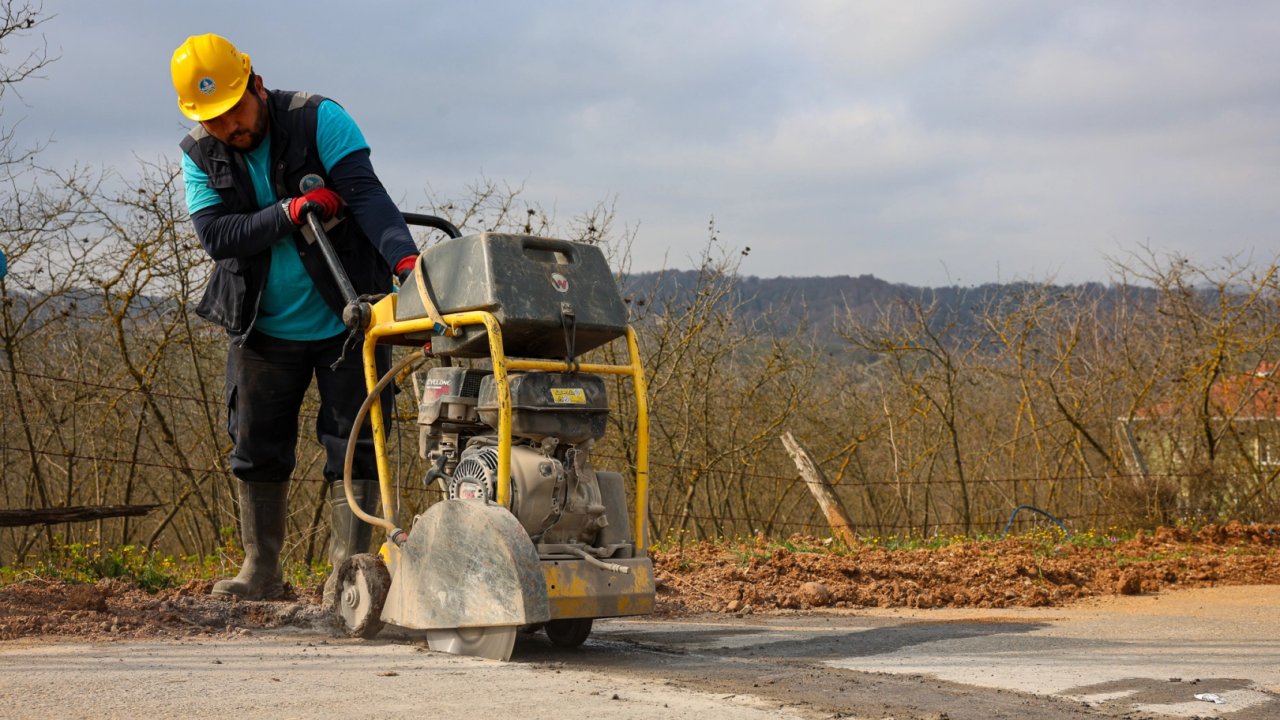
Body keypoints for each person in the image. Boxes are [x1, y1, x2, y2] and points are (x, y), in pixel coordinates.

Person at [171, 34, 417, 601]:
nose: (230, 127)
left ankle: (347, 576)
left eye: (236, 110)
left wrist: (405, 262)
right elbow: (217, 236)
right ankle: (260, 570)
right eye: (215, 121)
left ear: (256, 84)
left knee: (353, 443)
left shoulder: (318, 119)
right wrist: (289, 211)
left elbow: (367, 197)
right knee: (255, 445)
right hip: (260, 325)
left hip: (348, 316)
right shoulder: (197, 155)